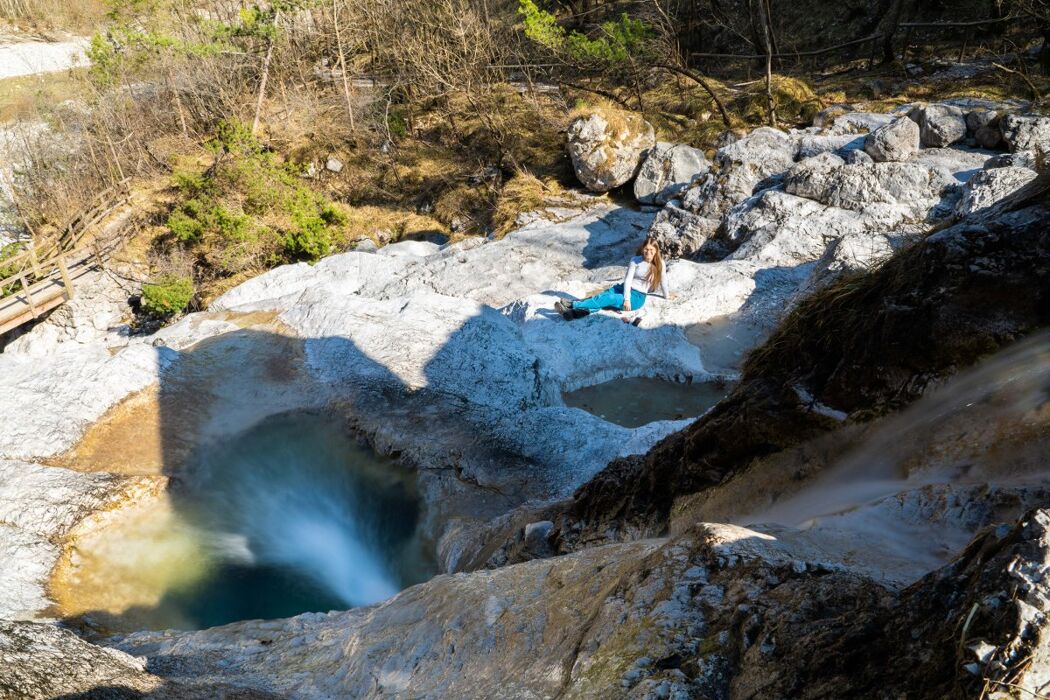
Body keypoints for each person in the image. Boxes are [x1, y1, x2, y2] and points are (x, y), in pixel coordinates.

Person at [555, 237, 670, 324]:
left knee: (608, 298)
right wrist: (626, 297)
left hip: (637, 298)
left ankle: (573, 305)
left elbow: (663, 281)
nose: (648, 252)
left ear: (656, 251)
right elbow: (628, 280)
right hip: (624, 289)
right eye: (646, 249)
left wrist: (667, 296)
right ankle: (574, 314)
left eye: (651, 250)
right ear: (642, 249)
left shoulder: (660, 264)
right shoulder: (635, 260)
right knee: (602, 297)